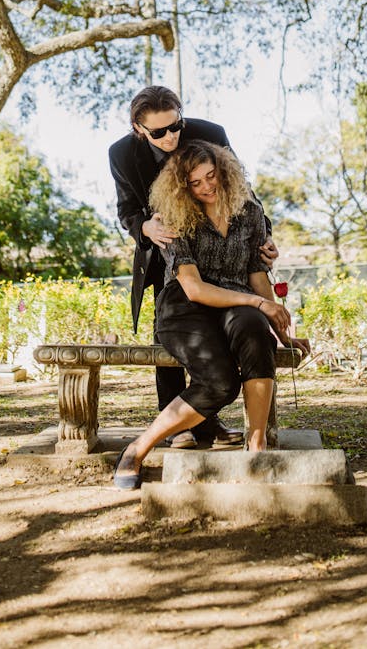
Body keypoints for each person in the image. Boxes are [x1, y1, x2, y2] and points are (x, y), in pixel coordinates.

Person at [113, 141, 291, 489]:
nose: (207, 186)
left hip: (235, 303)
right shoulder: (175, 218)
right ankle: (137, 448)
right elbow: (194, 288)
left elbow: (256, 278)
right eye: (195, 183)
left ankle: (256, 448)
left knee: (256, 330)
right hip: (185, 306)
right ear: (183, 187)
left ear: (224, 172)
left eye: (211, 176)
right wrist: (259, 304)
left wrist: (280, 329)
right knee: (220, 382)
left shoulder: (249, 213)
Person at [108, 85, 278, 447]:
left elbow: (242, 190)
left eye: (175, 126)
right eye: (159, 132)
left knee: (221, 336)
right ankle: (177, 424)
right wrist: (144, 227)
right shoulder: (122, 154)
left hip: (224, 250)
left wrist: (263, 237)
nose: (171, 137)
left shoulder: (211, 134)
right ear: (139, 128)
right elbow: (126, 211)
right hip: (166, 248)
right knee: (178, 339)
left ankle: (207, 422)